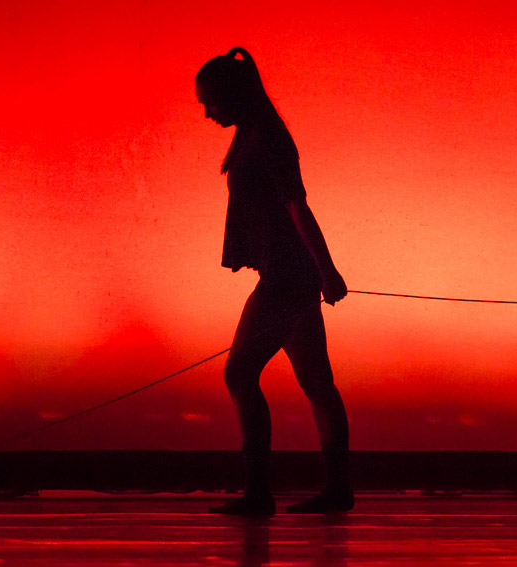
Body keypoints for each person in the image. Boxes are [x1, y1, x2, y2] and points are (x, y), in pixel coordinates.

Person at [196, 47, 353, 516]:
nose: (207, 112)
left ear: (233, 95)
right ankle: (337, 489)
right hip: (290, 274)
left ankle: (259, 493)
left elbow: (296, 207)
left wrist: (327, 270)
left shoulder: (267, 140)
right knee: (316, 382)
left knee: (239, 372)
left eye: (211, 102)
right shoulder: (254, 135)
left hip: (287, 277)